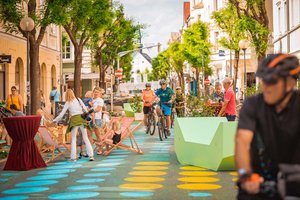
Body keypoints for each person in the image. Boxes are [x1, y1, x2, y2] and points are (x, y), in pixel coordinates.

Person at [235, 54, 300, 199]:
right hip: (258, 181)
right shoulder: (252, 105)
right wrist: (245, 175)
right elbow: (242, 141)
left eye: (272, 81)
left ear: (289, 84)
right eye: (264, 80)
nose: (265, 86)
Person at [53, 89, 94, 162]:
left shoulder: (68, 103)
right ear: (73, 93)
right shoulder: (78, 100)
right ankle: (91, 156)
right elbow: (85, 109)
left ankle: (73, 157)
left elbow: (62, 114)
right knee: (85, 138)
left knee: (74, 138)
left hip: (74, 120)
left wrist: (55, 120)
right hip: (82, 119)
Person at [91, 87, 104, 154]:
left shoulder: (100, 100)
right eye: (95, 92)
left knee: (98, 135)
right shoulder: (91, 100)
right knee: (88, 134)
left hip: (97, 119)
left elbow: (98, 109)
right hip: (90, 119)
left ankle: (100, 149)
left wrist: (90, 111)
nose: (96, 93)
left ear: (99, 93)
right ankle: (90, 150)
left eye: (97, 92)